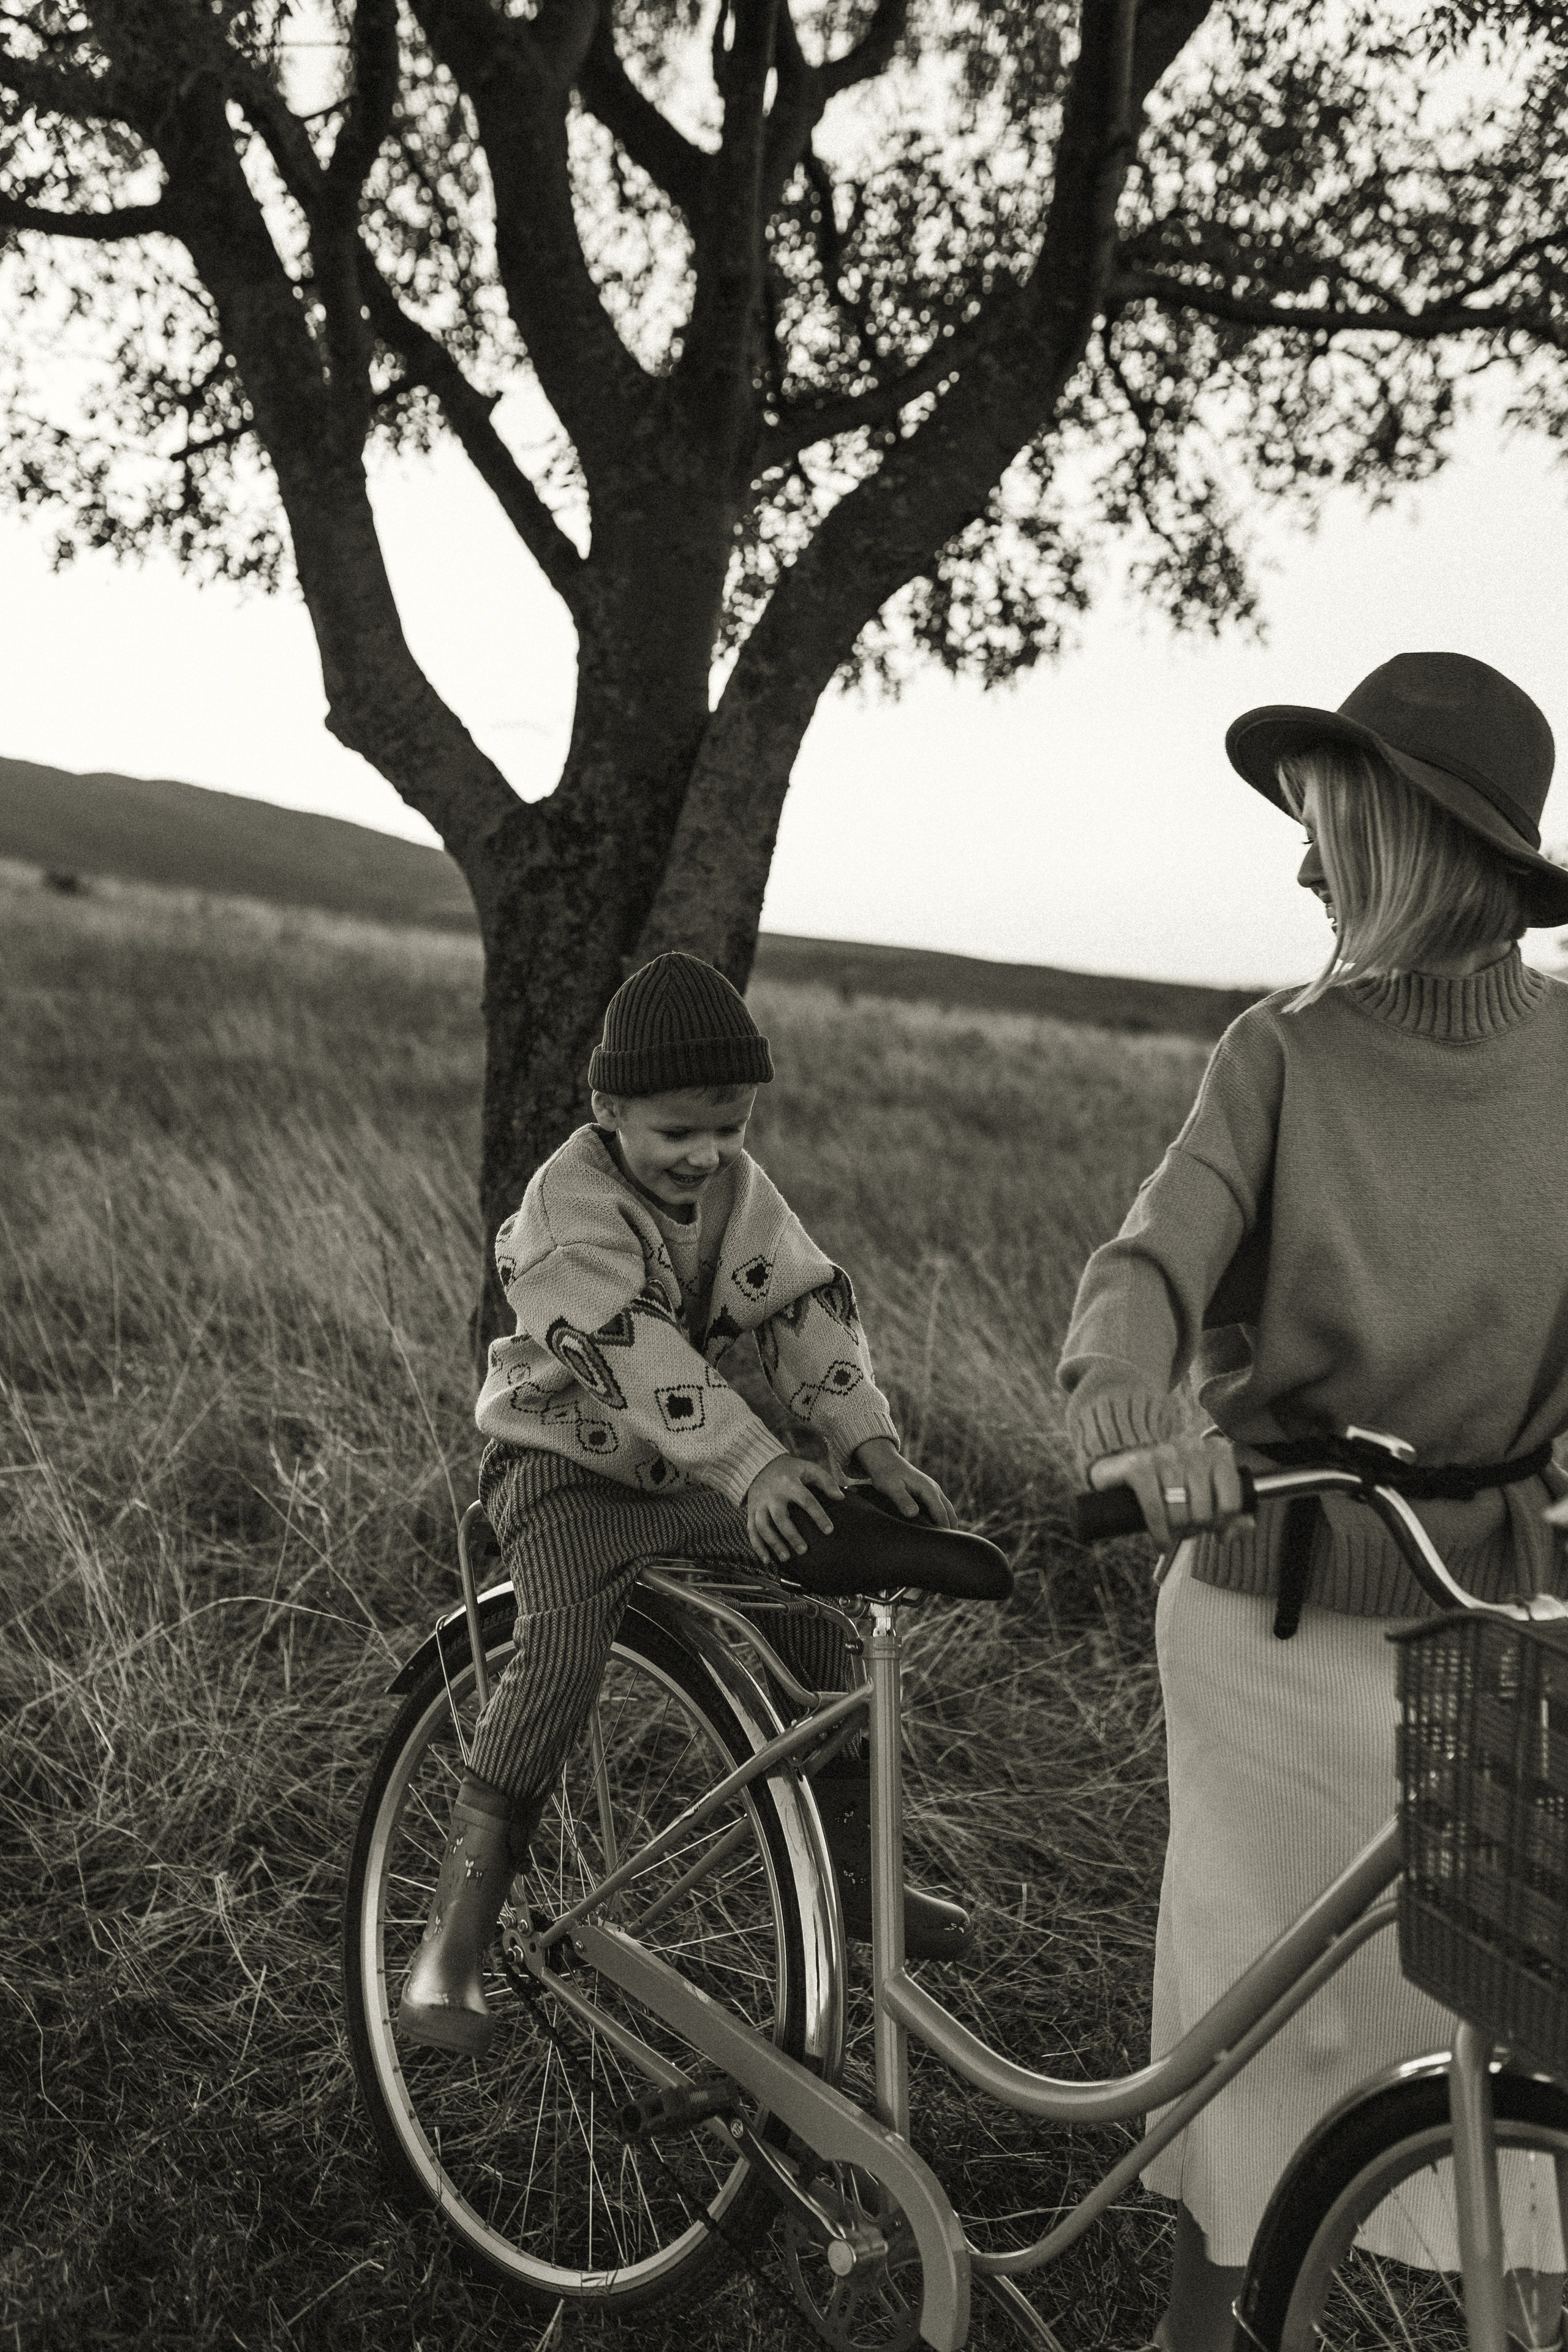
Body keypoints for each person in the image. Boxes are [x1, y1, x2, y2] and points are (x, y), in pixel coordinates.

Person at [1057, 652, 1568, 2352]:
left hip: (1494, 1620)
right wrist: (1135, 1405)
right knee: (1253, 2047)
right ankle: (1193, 2340)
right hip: (1268, 1621)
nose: (1299, 873)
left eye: (1327, 833)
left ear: (1420, 842)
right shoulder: (1275, 1056)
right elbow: (1148, 1260)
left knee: (1523, 2042)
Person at [402, 950, 976, 2057]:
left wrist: (868, 1442)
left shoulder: (735, 1192)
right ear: (608, 1109)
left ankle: (855, 1874)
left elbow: (806, 1306)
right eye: (676, 1132)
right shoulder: (568, 1205)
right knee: (563, 1644)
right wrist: (756, 1464)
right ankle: (457, 1934)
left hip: (687, 1478)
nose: (706, 1155)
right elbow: (630, 1350)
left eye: (732, 1127)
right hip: (563, 1468)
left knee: (814, 1611)